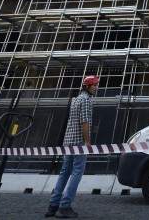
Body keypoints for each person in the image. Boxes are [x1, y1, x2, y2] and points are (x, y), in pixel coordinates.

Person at [45, 75, 98, 218]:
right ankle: (65, 206)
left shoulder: (75, 99)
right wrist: (87, 142)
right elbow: (85, 122)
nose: (96, 87)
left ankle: (53, 206)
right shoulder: (86, 100)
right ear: (87, 86)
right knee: (77, 173)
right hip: (79, 142)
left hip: (68, 141)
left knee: (64, 173)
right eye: (94, 85)